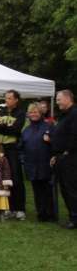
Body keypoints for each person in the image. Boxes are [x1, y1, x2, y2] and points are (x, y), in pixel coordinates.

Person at [0, 90, 26, 220]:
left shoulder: (20, 113)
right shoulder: (1, 111)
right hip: (0, 148)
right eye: (6, 98)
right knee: (3, 177)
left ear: (16, 100)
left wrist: (2, 126)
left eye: (10, 98)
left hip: (12, 148)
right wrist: (6, 127)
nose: (7, 101)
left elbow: (16, 130)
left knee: (15, 177)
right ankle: (8, 207)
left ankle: (19, 208)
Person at [20, 103, 56, 222]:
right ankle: (41, 214)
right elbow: (21, 146)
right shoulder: (26, 130)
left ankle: (50, 214)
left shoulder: (49, 126)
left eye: (36, 112)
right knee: (37, 190)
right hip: (31, 164)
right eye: (31, 112)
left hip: (45, 163)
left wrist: (50, 141)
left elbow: (57, 143)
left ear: (41, 113)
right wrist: (23, 160)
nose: (33, 114)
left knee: (47, 190)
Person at [49, 90, 77, 229]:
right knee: (65, 188)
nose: (57, 102)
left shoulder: (74, 114)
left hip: (70, 158)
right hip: (61, 156)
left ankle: (75, 217)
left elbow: (74, 135)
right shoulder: (64, 115)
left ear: (68, 98)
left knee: (70, 187)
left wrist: (66, 152)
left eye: (59, 99)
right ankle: (72, 215)